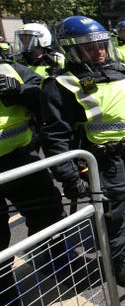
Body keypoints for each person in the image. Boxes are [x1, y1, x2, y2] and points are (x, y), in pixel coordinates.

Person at [39, 15, 125, 287]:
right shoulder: (61, 83)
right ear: (72, 50)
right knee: (115, 212)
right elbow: (55, 136)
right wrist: (68, 176)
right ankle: (119, 256)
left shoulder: (123, 69)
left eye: (101, 44)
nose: (98, 51)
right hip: (104, 158)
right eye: (89, 47)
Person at [0, 59, 66, 305]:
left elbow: (43, 92)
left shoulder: (9, 68)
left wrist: (19, 91)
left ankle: (49, 257)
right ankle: (5, 290)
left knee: (48, 210)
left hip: (20, 158)